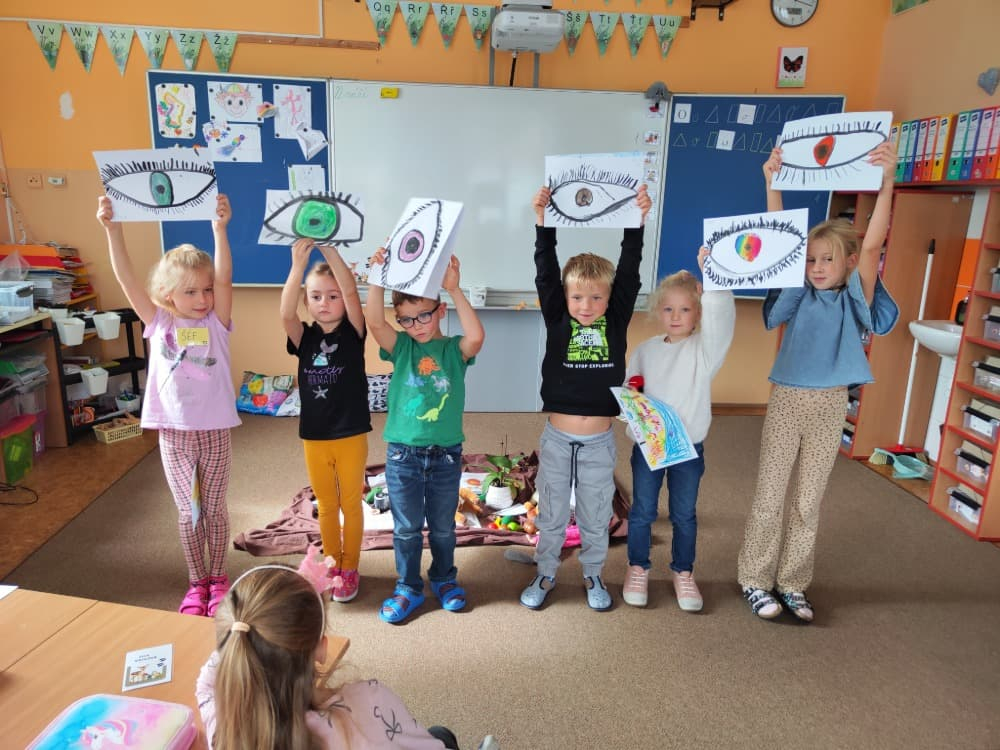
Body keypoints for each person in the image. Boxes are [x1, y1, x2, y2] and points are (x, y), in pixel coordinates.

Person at [737, 141, 899, 622]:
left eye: (828, 259)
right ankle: (754, 579)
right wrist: (772, 183)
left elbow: (872, 245)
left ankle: (792, 583)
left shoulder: (853, 294)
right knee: (770, 495)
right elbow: (779, 237)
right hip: (788, 399)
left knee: (809, 501)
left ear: (847, 262)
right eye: (810, 260)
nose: (818, 268)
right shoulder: (796, 292)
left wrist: (887, 182)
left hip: (830, 403)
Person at [97, 194, 241, 618]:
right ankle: (197, 583)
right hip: (174, 433)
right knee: (188, 512)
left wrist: (220, 230)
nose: (203, 298)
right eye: (191, 291)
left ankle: (218, 579)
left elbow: (226, 279)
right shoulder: (158, 321)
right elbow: (126, 279)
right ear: (166, 294)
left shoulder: (217, 322)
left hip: (214, 430)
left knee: (214, 509)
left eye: (206, 290)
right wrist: (113, 231)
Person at [519, 184, 651, 611]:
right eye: (577, 296)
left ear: (611, 300)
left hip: (597, 442)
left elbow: (630, 269)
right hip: (558, 440)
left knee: (596, 512)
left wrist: (637, 221)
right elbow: (545, 271)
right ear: (566, 297)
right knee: (552, 511)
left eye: (596, 297)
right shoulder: (557, 315)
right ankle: (545, 572)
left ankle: (594, 573)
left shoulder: (616, 318)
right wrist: (542, 223)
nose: (586, 305)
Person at [196, 564, 500, 749]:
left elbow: (207, 683)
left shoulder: (224, 727)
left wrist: (246, 631)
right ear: (321, 648)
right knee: (441, 736)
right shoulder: (364, 704)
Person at [364, 251, 485, 624]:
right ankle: (408, 587)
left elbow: (477, 337)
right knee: (407, 528)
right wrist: (377, 277)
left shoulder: (453, 350)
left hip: (446, 455)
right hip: (404, 455)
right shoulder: (402, 347)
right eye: (406, 319)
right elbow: (374, 321)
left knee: (444, 527)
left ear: (440, 310)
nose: (416, 326)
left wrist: (455, 289)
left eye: (424, 316)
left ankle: (444, 578)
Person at [622, 248, 735, 611]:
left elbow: (722, 321)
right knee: (642, 511)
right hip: (650, 448)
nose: (675, 316)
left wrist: (713, 282)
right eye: (668, 308)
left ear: (698, 313)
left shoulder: (704, 352)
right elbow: (631, 392)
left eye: (685, 309)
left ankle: (683, 572)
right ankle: (638, 567)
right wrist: (633, 411)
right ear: (658, 311)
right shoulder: (645, 351)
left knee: (684, 515)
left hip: (688, 448)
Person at [281, 238, 371, 603]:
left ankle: (350, 567)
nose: (325, 303)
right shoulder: (304, 337)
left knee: (351, 503)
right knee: (326, 504)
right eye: (316, 296)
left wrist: (331, 251)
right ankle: (333, 563)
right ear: (307, 301)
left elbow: (350, 290)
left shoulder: (353, 332)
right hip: (315, 436)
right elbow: (286, 314)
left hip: (350, 432)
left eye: (332, 296)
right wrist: (296, 268)